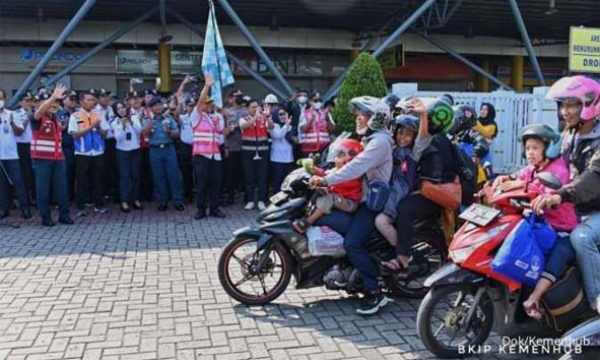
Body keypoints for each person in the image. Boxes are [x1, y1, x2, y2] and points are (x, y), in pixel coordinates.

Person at [309, 95, 394, 315]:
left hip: (373, 203)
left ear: (376, 118)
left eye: (362, 115)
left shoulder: (380, 142)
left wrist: (327, 180)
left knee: (352, 244)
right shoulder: (370, 139)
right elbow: (347, 165)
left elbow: (355, 168)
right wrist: (323, 172)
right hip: (360, 197)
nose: (357, 119)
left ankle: (375, 292)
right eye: (357, 115)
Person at [494, 124, 578, 319]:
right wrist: (504, 178)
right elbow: (519, 176)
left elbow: (543, 194)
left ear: (548, 148)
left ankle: (534, 298)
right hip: (539, 225)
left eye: (535, 148)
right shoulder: (534, 168)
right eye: (528, 148)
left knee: (560, 253)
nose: (530, 152)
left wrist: (523, 185)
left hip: (562, 229)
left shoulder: (558, 171)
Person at [532, 75, 600, 309]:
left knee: (582, 239)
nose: (565, 111)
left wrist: (559, 195)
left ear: (589, 104)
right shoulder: (569, 136)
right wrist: (512, 181)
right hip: (580, 208)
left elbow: (593, 179)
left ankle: (597, 302)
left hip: (596, 211)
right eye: (563, 105)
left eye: (572, 104)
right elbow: (549, 164)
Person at [394, 98, 458, 277]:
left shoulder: (431, 142)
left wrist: (421, 114)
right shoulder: (403, 146)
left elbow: (435, 175)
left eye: (427, 117)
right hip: (422, 190)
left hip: (432, 194)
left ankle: (403, 255)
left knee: (403, 209)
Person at [376, 113, 430, 272]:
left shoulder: (414, 153)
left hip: (397, 195)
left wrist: (423, 115)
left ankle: (401, 254)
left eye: (408, 134)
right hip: (385, 192)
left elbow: (423, 137)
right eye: (400, 132)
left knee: (381, 222)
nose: (402, 137)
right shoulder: (390, 148)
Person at [293, 138, 363, 233]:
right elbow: (328, 174)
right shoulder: (339, 169)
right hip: (340, 196)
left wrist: (325, 186)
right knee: (320, 192)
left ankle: (308, 222)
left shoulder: (351, 174)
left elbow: (336, 183)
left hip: (349, 203)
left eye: (339, 155)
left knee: (328, 198)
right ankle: (307, 212)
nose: (336, 157)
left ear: (349, 159)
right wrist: (316, 171)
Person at [30, 85, 73, 227]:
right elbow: (39, 112)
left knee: (62, 187)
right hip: (42, 159)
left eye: (55, 103)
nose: (53, 105)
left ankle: (64, 215)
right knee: (43, 189)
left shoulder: (56, 119)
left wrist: (59, 105)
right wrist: (53, 97)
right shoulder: (36, 118)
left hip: (58, 158)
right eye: (49, 102)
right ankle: (45, 217)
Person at [191, 76, 227, 219]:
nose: (208, 105)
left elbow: (222, 133)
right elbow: (200, 102)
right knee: (202, 185)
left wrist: (224, 118)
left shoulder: (214, 118)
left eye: (210, 103)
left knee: (215, 184)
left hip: (215, 155)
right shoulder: (196, 116)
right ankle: (200, 210)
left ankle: (214, 209)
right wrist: (207, 86)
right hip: (201, 156)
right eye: (207, 103)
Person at [69, 89, 109, 216]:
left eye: (93, 100)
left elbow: (105, 134)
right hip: (82, 152)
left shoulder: (98, 114)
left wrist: (98, 127)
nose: (92, 102)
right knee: (82, 181)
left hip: (97, 152)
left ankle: (99, 204)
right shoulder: (76, 116)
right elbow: (75, 134)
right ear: (81, 102)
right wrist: (91, 127)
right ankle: (81, 206)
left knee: (98, 180)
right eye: (89, 100)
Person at [142, 96, 185, 212]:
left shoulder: (168, 119)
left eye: (159, 104)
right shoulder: (147, 119)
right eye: (155, 105)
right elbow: (145, 134)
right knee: (158, 176)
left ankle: (178, 201)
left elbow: (177, 133)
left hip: (169, 149)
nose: (158, 107)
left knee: (174, 176)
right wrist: (151, 122)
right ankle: (163, 201)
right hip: (155, 150)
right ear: (151, 108)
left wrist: (169, 131)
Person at [0, 90, 31, 219]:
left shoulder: (12, 114)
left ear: (4, 99)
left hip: (12, 155)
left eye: (1, 98)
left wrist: (12, 123)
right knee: (1, 184)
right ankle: (4, 209)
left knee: (18, 182)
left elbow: (19, 132)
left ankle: (25, 209)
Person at [240, 99, 273, 211]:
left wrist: (267, 117)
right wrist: (256, 118)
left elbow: (272, 127)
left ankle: (261, 200)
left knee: (262, 178)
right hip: (248, 153)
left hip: (263, 153)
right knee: (249, 178)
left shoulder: (263, 119)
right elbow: (244, 126)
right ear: (248, 108)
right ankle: (250, 201)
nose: (255, 109)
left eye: (257, 107)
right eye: (253, 107)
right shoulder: (243, 119)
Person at [111, 101, 143, 213]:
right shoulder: (115, 122)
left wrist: (131, 122)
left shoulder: (134, 118)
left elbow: (140, 131)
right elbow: (118, 138)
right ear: (116, 111)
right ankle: (124, 200)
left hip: (135, 149)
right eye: (118, 109)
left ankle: (136, 199)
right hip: (122, 151)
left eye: (122, 107)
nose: (121, 110)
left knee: (136, 175)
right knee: (125, 176)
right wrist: (123, 126)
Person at [222, 92, 247, 205]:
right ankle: (230, 196)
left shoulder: (246, 112)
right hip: (232, 147)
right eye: (235, 97)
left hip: (245, 146)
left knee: (245, 174)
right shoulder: (228, 113)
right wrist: (226, 146)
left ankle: (247, 196)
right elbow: (226, 131)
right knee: (230, 174)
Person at [13, 91, 36, 205]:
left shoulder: (36, 112)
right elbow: (19, 131)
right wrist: (28, 116)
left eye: (31, 101)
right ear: (21, 102)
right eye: (27, 101)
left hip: (34, 145)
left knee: (34, 172)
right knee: (25, 173)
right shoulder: (17, 113)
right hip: (23, 146)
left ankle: (33, 196)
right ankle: (25, 198)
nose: (30, 103)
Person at [56, 90, 79, 201]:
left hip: (79, 147)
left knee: (79, 174)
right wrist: (68, 123)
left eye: (75, 98)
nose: (74, 101)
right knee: (67, 174)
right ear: (64, 100)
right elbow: (57, 130)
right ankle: (67, 197)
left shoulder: (79, 113)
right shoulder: (59, 114)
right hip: (66, 148)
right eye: (71, 99)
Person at [96, 88, 118, 203]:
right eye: (103, 96)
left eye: (107, 96)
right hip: (101, 141)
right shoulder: (95, 110)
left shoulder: (111, 109)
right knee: (101, 168)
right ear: (98, 99)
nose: (107, 98)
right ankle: (103, 192)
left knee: (113, 167)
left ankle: (112, 191)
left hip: (113, 141)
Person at [299, 93, 334, 158]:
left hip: (324, 149)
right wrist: (312, 118)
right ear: (310, 102)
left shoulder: (325, 113)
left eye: (320, 100)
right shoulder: (304, 113)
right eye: (315, 100)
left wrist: (327, 118)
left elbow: (331, 130)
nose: (318, 102)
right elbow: (303, 129)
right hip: (309, 149)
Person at [269, 107, 294, 193]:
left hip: (289, 158)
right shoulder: (273, 126)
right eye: (280, 114)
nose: (283, 116)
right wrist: (286, 125)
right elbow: (278, 135)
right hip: (277, 159)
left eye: (285, 114)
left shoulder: (291, 126)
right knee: (277, 181)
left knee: (287, 182)